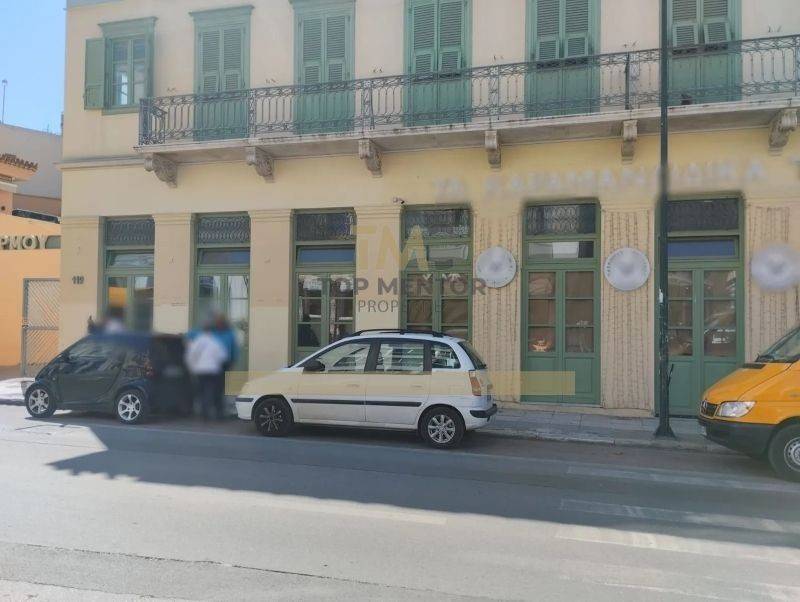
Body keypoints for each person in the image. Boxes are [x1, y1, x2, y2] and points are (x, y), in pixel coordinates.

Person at [185, 321, 229, 420]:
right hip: (213, 371)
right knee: (212, 391)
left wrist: (192, 368)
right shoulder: (215, 342)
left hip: (200, 371)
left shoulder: (197, 341)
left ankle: (204, 413)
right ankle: (214, 412)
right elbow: (223, 357)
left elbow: (190, 356)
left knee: (202, 391)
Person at [212, 313, 239, 417]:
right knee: (216, 387)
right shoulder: (213, 333)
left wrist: (233, 361)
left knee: (221, 387)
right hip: (213, 363)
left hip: (225, 363)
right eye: (217, 322)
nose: (219, 324)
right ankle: (217, 409)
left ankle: (220, 410)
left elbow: (234, 348)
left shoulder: (229, 333)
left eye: (221, 322)